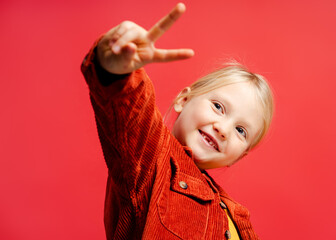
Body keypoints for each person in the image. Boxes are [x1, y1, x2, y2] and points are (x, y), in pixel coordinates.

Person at [81, 3, 273, 240]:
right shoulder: (150, 161)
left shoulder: (235, 217)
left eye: (241, 130)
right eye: (218, 107)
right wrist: (116, 68)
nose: (223, 129)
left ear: (240, 155)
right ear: (183, 99)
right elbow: (131, 112)